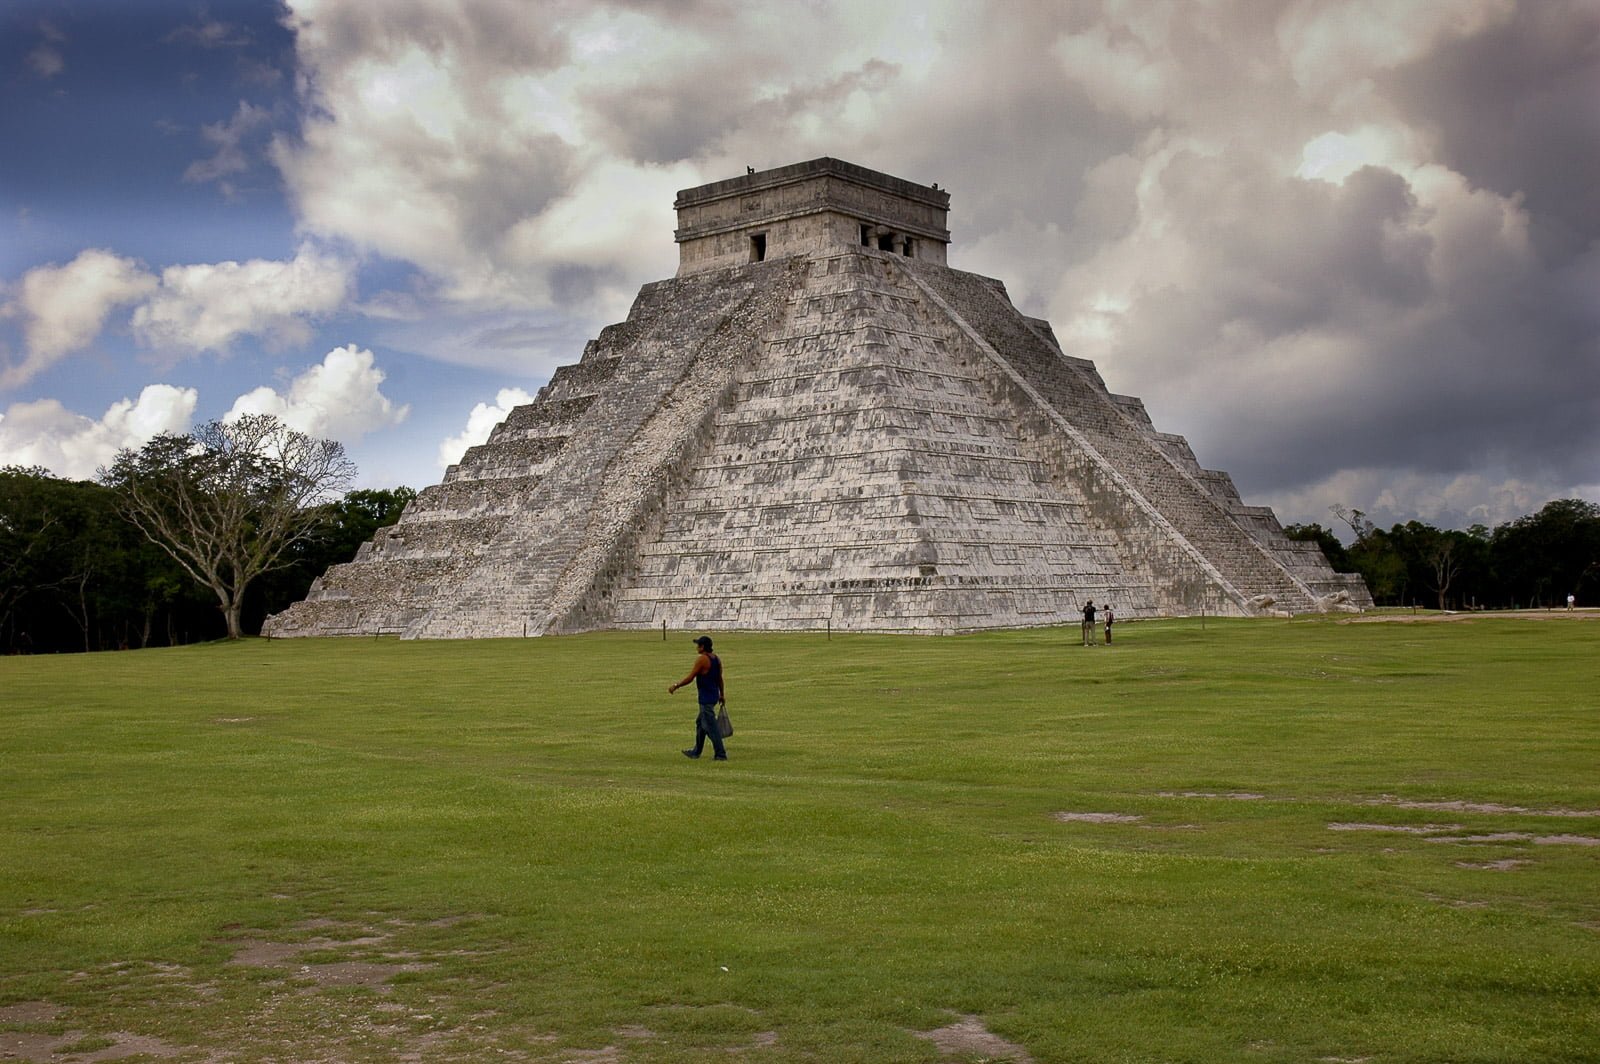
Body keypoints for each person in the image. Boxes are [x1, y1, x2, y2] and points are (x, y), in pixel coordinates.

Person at [668, 635, 727, 760]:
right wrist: (722, 694)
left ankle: (720, 754)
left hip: (705, 699)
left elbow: (690, 677)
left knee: (711, 727)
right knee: (700, 723)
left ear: (703, 647)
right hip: (713, 696)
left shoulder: (702, 660)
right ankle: (696, 751)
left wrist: (676, 685)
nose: (697, 648)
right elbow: (719, 679)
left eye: (698, 645)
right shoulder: (716, 659)